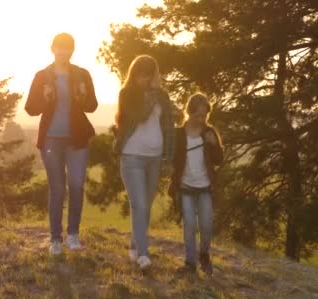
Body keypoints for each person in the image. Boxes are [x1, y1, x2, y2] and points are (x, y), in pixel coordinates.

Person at [24, 33, 98, 255]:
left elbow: (92, 106)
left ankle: (73, 235)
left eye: (68, 48)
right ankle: (55, 239)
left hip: (77, 140)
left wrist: (83, 96)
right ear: (53, 49)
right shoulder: (42, 76)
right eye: (60, 48)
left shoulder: (82, 74)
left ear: (73, 51)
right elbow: (30, 108)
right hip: (51, 140)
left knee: (76, 185)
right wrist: (44, 98)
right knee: (57, 189)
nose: (64, 52)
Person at [113, 55, 177, 270]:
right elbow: (131, 119)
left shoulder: (162, 96)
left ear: (154, 75)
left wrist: (168, 157)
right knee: (139, 204)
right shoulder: (126, 94)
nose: (144, 79)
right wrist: (147, 103)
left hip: (155, 157)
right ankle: (143, 254)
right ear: (133, 74)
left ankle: (134, 245)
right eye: (140, 75)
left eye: (148, 75)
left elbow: (169, 127)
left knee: (145, 207)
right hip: (132, 156)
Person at [169, 93, 223, 275]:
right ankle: (190, 262)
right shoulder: (178, 134)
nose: (201, 119)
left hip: (205, 187)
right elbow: (172, 160)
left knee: (207, 225)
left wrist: (214, 145)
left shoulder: (209, 132)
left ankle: (204, 254)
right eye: (197, 115)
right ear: (189, 113)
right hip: (185, 188)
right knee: (189, 225)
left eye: (204, 116)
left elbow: (219, 160)